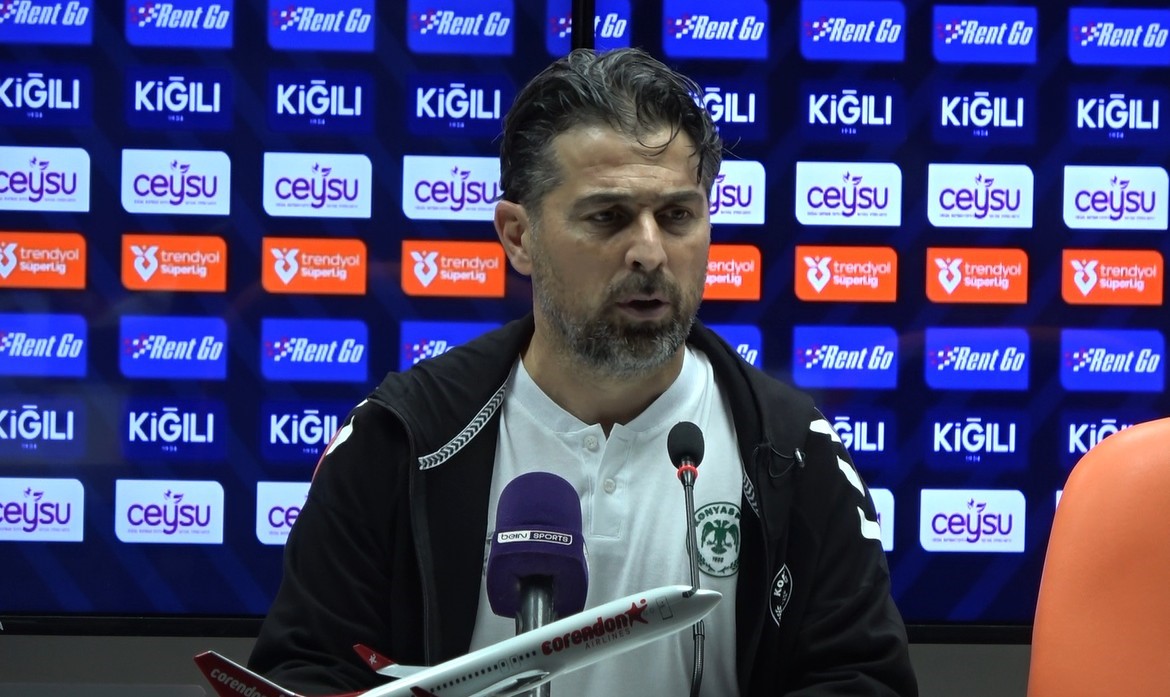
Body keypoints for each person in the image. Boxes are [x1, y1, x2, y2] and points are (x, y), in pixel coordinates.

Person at [248, 47, 918, 696]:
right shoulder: (401, 440)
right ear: (518, 236)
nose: (650, 251)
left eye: (677, 216)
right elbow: (306, 669)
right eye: (608, 216)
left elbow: (864, 679)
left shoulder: (790, 453)